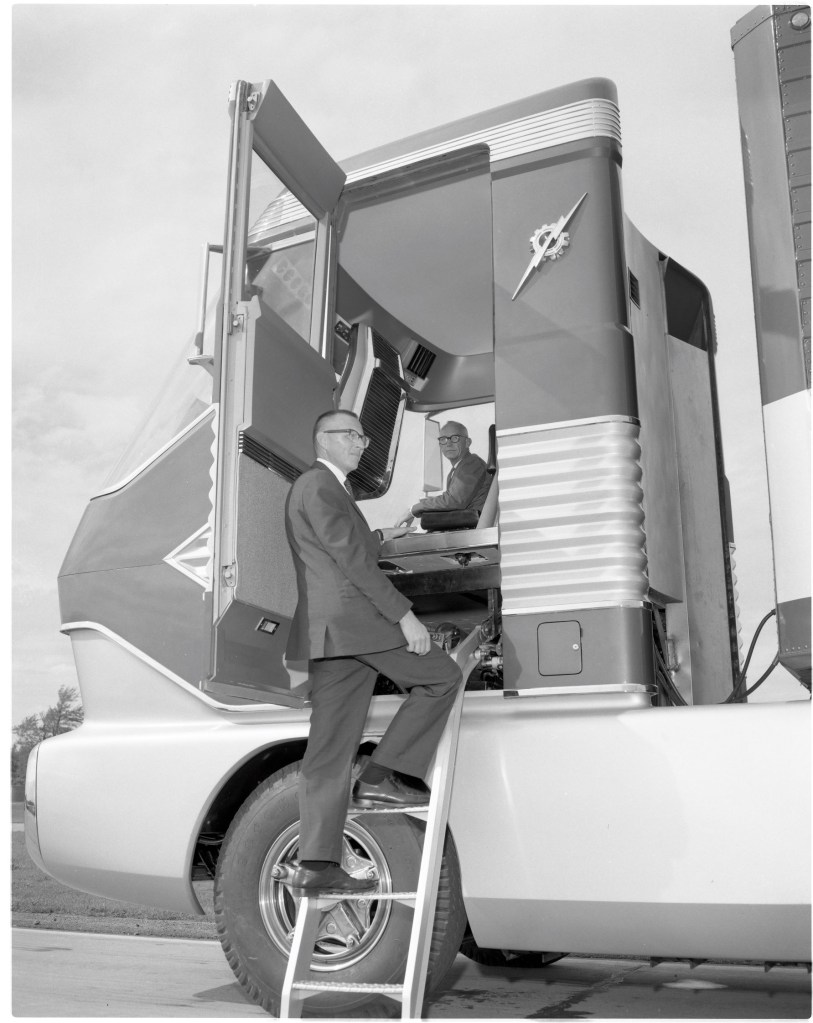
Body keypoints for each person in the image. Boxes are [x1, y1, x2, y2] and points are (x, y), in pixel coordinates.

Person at [284, 409, 463, 896]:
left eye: (364, 435)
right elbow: (351, 560)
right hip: (357, 622)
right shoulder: (318, 484)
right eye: (350, 434)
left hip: (333, 636)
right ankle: (385, 774)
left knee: (328, 752)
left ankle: (317, 865)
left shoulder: (328, 489)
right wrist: (403, 616)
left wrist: (387, 536)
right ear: (322, 439)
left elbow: (350, 546)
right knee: (442, 677)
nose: (361, 443)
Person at [396, 420, 491, 527]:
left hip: (474, 529)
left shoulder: (472, 463)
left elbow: (453, 501)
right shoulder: (456, 470)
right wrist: (429, 502)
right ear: (440, 446)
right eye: (443, 439)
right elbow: (452, 500)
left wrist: (414, 509)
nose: (448, 443)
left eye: (455, 438)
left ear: (468, 442)